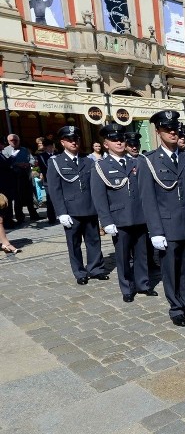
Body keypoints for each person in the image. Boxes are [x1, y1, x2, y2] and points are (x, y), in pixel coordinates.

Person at [139, 110, 185, 327]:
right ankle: (176, 307)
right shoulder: (148, 161)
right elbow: (148, 200)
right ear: (158, 132)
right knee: (171, 270)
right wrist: (155, 231)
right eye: (166, 129)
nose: (172, 132)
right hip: (167, 226)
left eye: (174, 128)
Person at [90, 123, 155, 302]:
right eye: (114, 139)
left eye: (121, 139)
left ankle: (143, 284)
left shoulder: (136, 161)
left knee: (142, 254)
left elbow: (145, 192)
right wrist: (106, 221)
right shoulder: (101, 166)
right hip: (119, 218)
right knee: (123, 256)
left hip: (140, 216)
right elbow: (99, 196)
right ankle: (127, 287)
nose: (119, 142)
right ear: (106, 144)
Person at [46, 125, 107, 284]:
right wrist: (61, 212)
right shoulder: (56, 162)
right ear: (62, 142)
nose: (74, 142)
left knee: (94, 241)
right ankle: (80, 272)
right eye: (69, 140)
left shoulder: (87, 160)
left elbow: (95, 186)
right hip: (71, 211)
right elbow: (55, 189)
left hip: (89, 208)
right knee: (74, 244)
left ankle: (95, 269)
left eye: (76, 139)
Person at [2, 133, 40, 224]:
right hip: (14, 177)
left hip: (26, 175)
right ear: (8, 141)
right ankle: (19, 216)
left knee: (29, 195)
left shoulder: (24, 150)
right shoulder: (5, 151)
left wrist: (28, 164)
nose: (14, 142)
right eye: (12, 140)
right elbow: (5, 164)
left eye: (16, 140)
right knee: (17, 197)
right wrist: (17, 164)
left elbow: (32, 160)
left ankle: (33, 214)